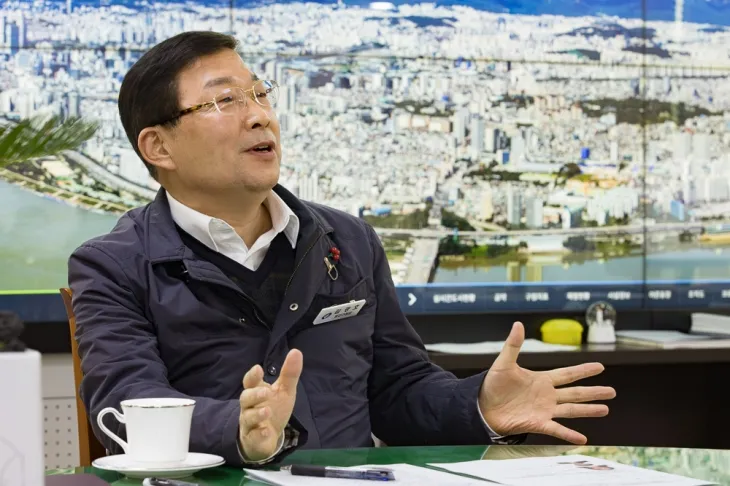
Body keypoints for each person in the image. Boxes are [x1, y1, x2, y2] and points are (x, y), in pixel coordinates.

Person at [67, 30, 616, 466]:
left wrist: (477, 405)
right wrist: (239, 430)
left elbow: (397, 391)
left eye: (260, 93)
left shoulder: (347, 240)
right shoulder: (113, 265)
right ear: (158, 146)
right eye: (225, 100)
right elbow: (124, 407)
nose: (259, 114)